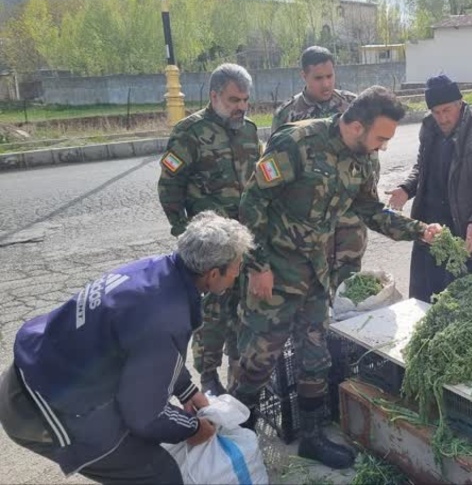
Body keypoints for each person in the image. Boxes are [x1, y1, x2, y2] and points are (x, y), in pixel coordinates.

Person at [234, 86, 443, 469]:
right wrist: (257, 265)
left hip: (316, 274)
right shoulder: (296, 142)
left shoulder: (362, 160)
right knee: (257, 361)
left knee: (315, 359)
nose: (382, 146)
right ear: (357, 125)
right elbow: (251, 204)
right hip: (274, 274)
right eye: (380, 137)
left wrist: (420, 230)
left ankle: (313, 437)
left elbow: (370, 210)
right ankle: (237, 443)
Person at [0, 211, 255, 484]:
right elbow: (145, 415)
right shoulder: (166, 317)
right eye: (237, 267)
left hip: (36, 371)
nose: (238, 274)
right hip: (41, 410)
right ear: (213, 273)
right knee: (159, 475)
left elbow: (148, 354)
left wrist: (187, 390)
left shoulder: (157, 271)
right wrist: (194, 428)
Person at [157, 63, 260, 396]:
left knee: (242, 309)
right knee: (210, 315)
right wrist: (184, 232)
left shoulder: (249, 130)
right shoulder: (190, 132)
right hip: (208, 247)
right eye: (233, 99)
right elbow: (169, 186)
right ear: (214, 95)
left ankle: (238, 371)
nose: (241, 106)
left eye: (245, 99)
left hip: (240, 242)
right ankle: (209, 376)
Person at [386, 74, 472, 302]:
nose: (441, 118)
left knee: (463, 311)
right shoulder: (429, 126)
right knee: (423, 305)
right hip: (428, 233)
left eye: (446, 110)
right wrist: (406, 188)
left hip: (464, 237)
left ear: (459, 104)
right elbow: (421, 168)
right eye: (436, 112)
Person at [272, 46, 370, 293]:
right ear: (303, 76)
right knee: (312, 292)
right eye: (318, 78)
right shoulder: (287, 115)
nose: (326, 84)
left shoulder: (354, 106)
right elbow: (277, 172)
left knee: (350, 290)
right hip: (309, 229)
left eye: (330, 76)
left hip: (349, 223)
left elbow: (370, 160)